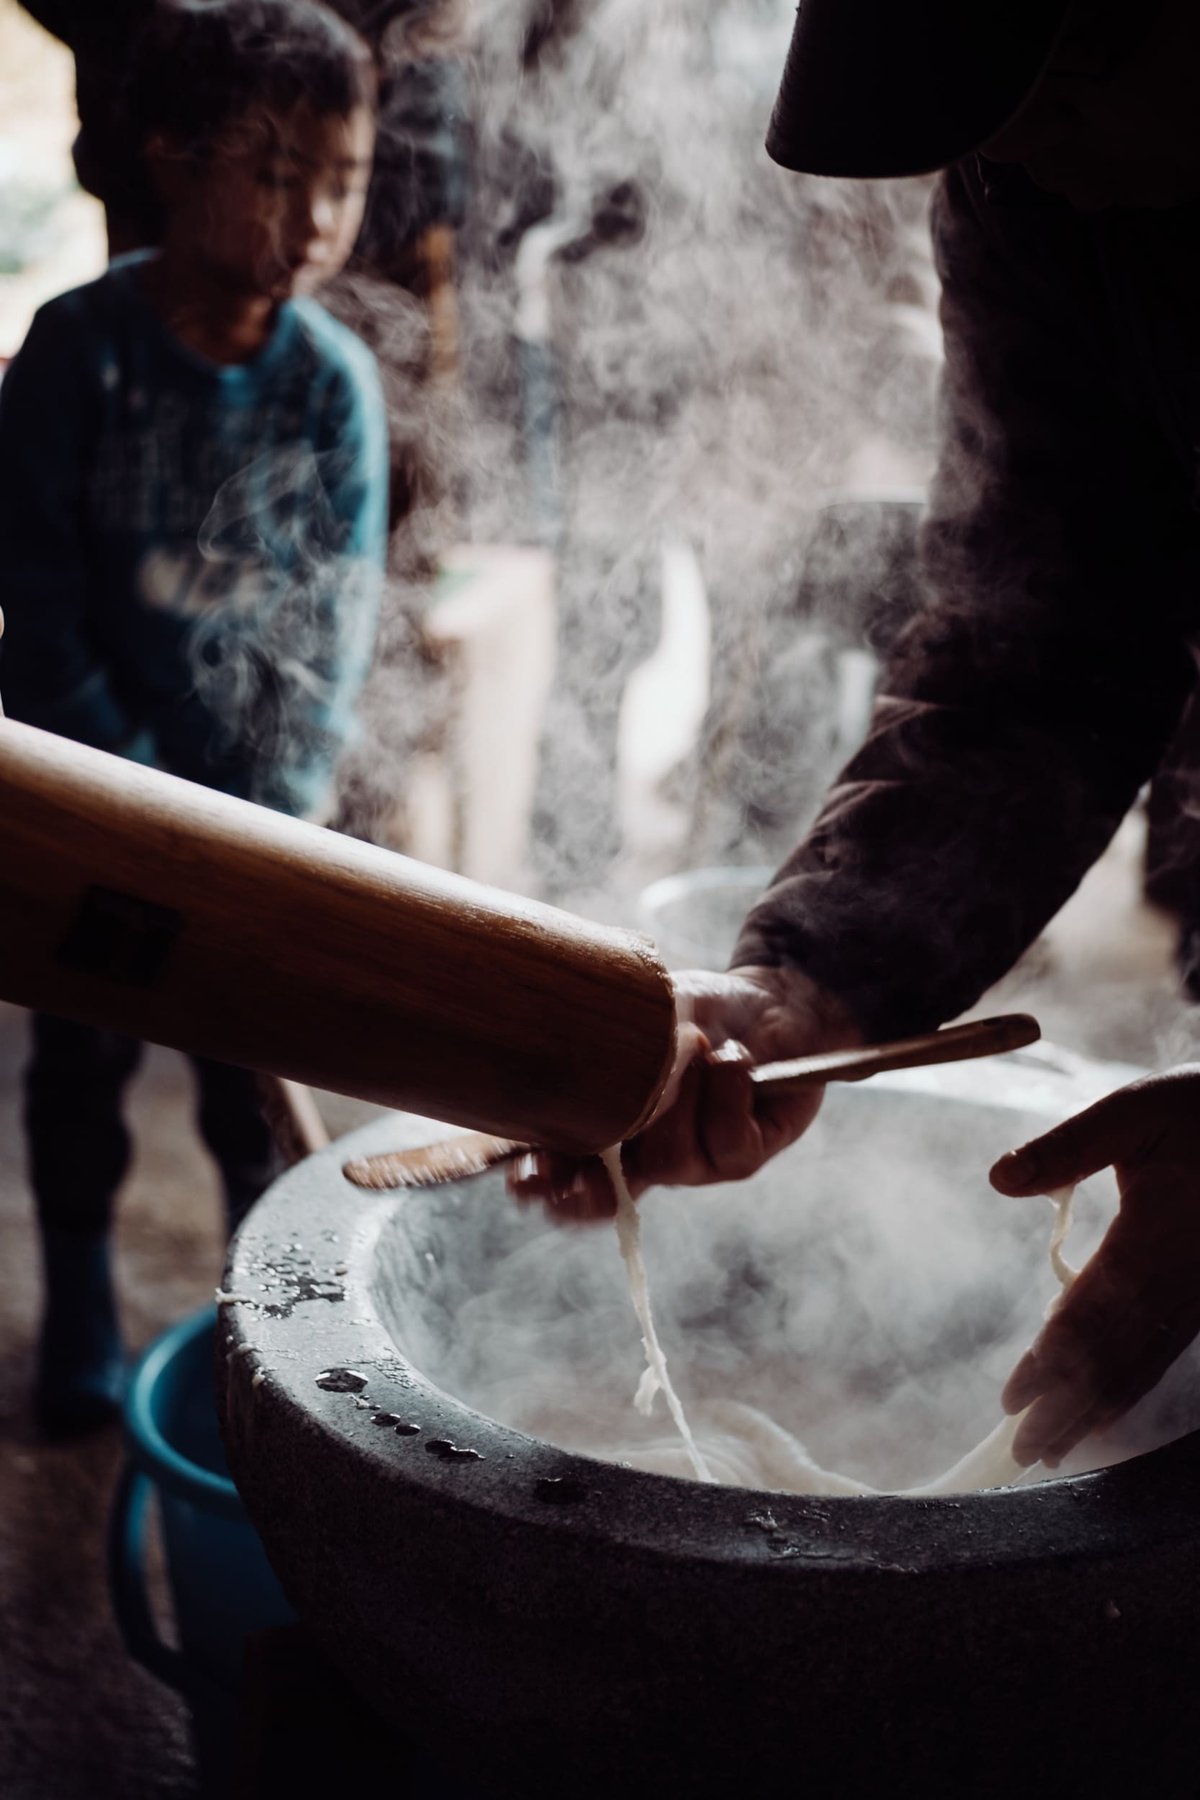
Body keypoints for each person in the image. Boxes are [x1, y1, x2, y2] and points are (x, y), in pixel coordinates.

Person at [513, 0, 1200, 1474]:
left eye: (1080, 68)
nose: (1030, 152)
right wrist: (815, 979)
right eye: (993, 128)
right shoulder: (1030, 182)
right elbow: (1045, 646)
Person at [0, 0, 387, 1437]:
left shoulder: (332, 386)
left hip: (251, 825)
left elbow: (335, 639)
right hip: (93, 803)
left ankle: (262, 1342)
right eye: (277, 173)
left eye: (342, 180)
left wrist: (262, 825)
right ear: (170, 156)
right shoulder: (75, 354)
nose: (317, 218)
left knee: (251, 1096)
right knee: (81, 1060)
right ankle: (80, 1307)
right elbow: (35, 609)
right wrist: (138, 810)